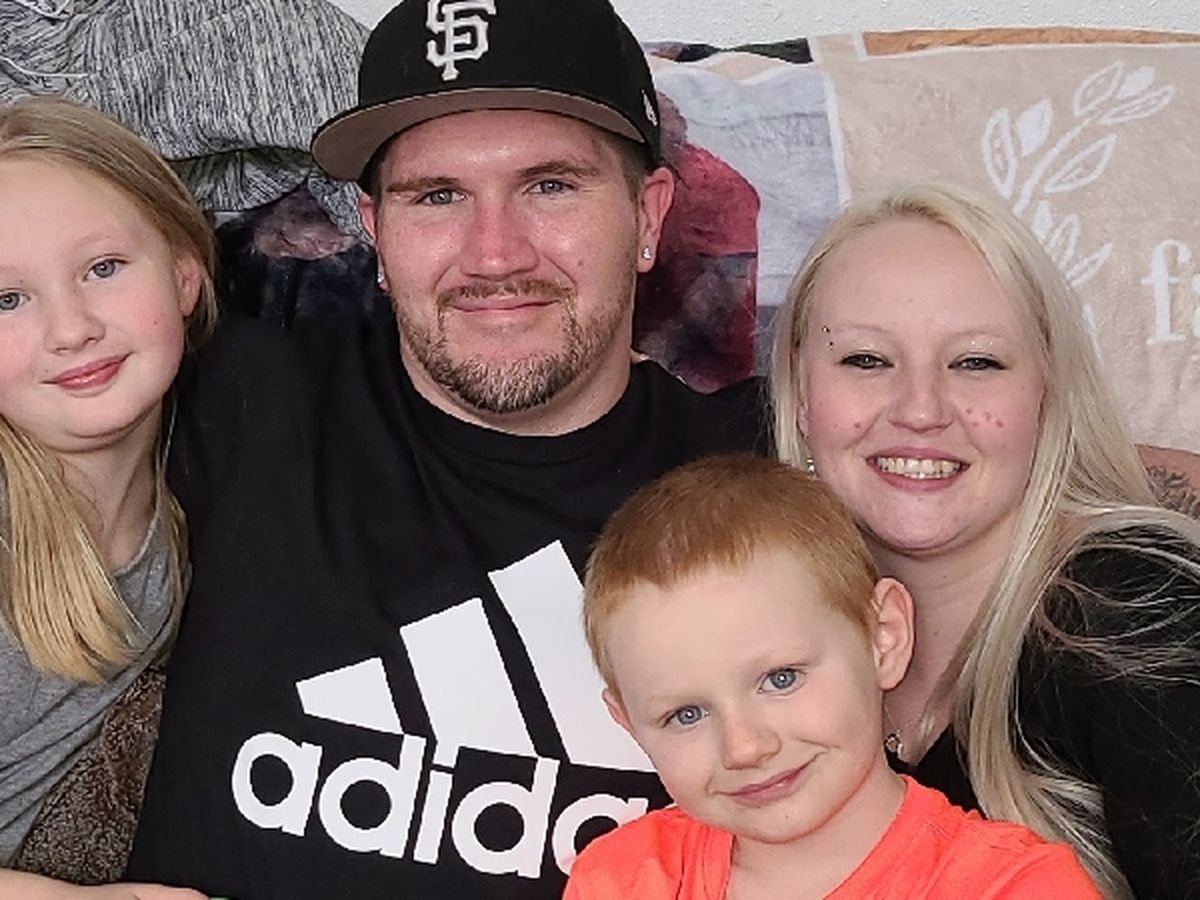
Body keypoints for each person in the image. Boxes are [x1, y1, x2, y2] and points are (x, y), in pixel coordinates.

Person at [126, 1, 762, 898]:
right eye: (437, 196)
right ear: (374, 231)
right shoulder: (229, 398)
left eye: (551, 186)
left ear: (648, 215)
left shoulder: (768, 477)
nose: (495, 256)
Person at [770, 180, 1200, 899]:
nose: (920, 410)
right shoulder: (764, 640)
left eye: (976, 362)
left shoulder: (1141, 613)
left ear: (1047, 394)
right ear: (801, 395)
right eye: (867, 360)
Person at [567, 452, 1100, 899]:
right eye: (686, 715)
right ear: (628, 722)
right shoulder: (621, 880)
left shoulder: (1015, 888)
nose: (745, 748)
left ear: (883, 637)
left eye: (781, 679)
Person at [0, 96, 216, 899]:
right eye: (6, 300)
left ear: (185, 274)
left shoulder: (201, 488)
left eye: (103, 269)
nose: (72, 329)